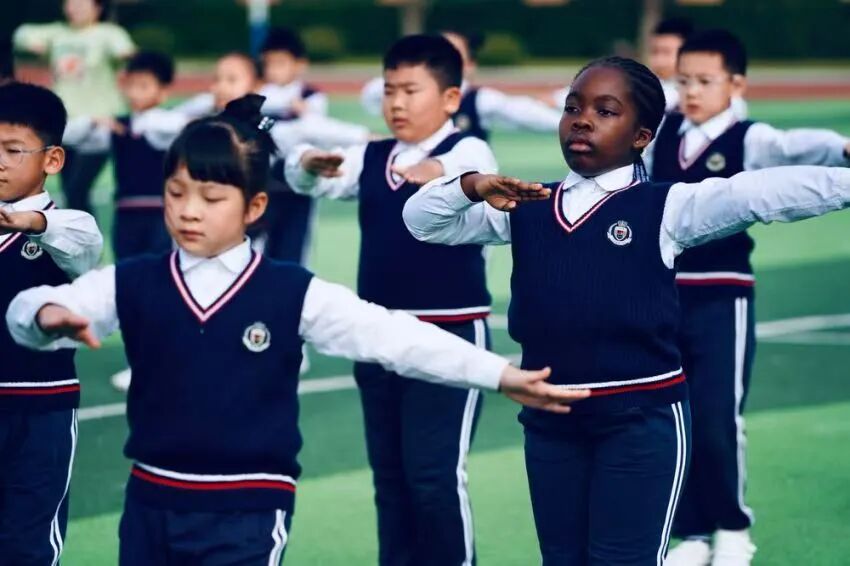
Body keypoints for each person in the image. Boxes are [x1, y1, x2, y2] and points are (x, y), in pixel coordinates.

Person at [6, 95, 588, 566]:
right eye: (176, 194)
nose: (189, 211)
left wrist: (499, 374)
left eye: (211, 197)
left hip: (250, 509)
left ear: (255, 206)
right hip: (151, 500)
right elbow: (31, 306)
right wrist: (43, 317)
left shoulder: (290, 291)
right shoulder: (133, 280)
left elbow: (394, 337)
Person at [402, 56, 850, 565]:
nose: (582, 120)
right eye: (573, 107)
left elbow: (757, 193)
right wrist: (470, 185)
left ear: (641, 136)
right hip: (551, 421)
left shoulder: (666, 207)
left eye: (605, 111)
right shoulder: (526, 205)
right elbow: (422, 221)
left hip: (640, 421)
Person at [286, 35, 500, 565]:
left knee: (433, 475)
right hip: (377, 337)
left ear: (451, 99)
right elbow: (313, 180)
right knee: (391, 478)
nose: (396, 103)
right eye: (389, 90)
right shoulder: (374, 155)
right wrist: (307, 162)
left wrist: (441, 174)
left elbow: (471, 169)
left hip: (449, 333)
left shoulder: (467, 149)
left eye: (410, 90)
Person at [645, 30, 850, 566]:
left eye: (704, 81)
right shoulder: (661, 134)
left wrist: (842, 148)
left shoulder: (749, 139)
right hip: (662, 298)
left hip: (722, 296)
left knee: (717, 418)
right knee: (673, 417)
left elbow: (792, 148)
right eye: (683, 80)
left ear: (736, 85)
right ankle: (692, 533)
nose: (691, 91)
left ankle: (733, 527)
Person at [0, 81, 103, 565]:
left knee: (29, 542)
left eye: (12, 150)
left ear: (53, 160)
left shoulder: (69, 230)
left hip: (40, 407)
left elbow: (83, 241)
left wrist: (31, 223)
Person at [13, 0, 136, 215]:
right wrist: (33, 44)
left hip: (99, 123)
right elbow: (21, 34)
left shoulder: (108, 33)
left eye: (82, 4)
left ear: (97, 8)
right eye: (71, 3)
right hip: (66, 124)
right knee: (71, 192)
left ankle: (88, 235)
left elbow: (127, 53)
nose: (76, 8)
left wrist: (126, 57)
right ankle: (79, 234)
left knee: (77, 188)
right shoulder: (57, 33)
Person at [361, 29, 562, 140]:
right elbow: (371, 94)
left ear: (469, 65)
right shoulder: (403, 91)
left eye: (452, 54)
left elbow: (523, 112)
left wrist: (565, 124)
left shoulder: (481, 100)